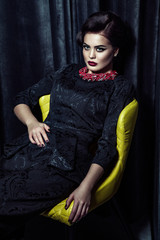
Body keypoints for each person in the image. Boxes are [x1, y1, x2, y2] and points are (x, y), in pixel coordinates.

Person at [0, 11, 134, 239]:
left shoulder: (119, 87)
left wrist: (86, 187)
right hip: (34, 148)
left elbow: (108, 144)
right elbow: (21, 99)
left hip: (69, 163)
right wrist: (32, 123)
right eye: (86, 47)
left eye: (100, 49)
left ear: (116, 51)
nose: (91, 55)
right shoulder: (66, 72)